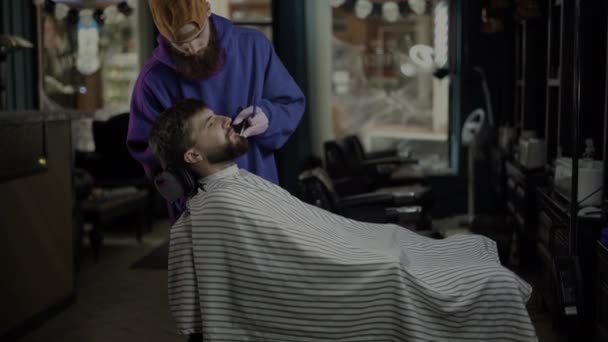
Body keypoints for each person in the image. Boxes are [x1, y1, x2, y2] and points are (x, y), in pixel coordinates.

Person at [149, 98, 537, 342]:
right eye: (210, 123)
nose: (224, 118)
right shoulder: (222, 206)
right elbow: (298, 260)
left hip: (366, 245)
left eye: (217, 114)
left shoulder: (234, 185)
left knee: (450, 254)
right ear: (193, 157)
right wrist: (381, 264)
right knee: (480, 280)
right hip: (368, 268)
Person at [128, 0, 305, 220]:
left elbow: (290, 102)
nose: (192, 49)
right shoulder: (152, 81)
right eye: (180, 44)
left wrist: (268, 116)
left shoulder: (253, 47)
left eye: (197, 36)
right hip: (198, 207)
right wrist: (189, 190)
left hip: (260, 188)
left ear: (208, 10)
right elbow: (149, 151)